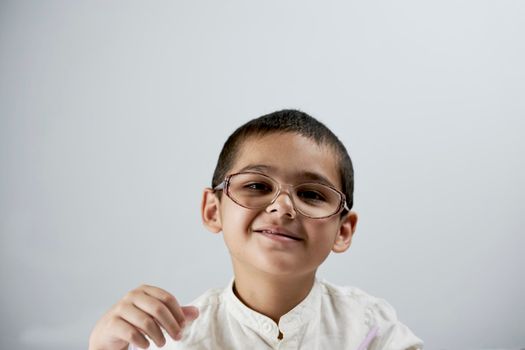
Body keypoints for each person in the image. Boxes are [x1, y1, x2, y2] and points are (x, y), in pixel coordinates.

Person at [89, 110, 423, 350]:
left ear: (343, 230)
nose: (282, 206)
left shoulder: (370, 327)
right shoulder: (176, 339)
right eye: (257, 185)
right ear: (212, 210)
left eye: (311, 194)